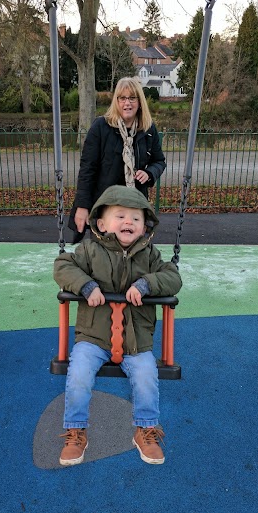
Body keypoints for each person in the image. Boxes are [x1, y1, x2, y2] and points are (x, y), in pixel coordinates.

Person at [54, 185, 182, 466]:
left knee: (147, 377)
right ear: (101, 223)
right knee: (78, 376)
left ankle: (145, 430)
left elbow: (173, 278)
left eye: (136, 219)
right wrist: (86, 286)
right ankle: (76, 431)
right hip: (93, 337)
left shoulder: (150, 255)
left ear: (144, 227)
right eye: (120, 216)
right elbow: (62, 267)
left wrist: (148, 283)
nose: (129, 222)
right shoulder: (89, 250)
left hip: (136, 341)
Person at [68, 77, 166, 243]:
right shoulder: (100, 127)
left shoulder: (148, 129)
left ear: (139, 101)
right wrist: (82, 206)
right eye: (122, 98)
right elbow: (87, 170)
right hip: (105, 205)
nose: (127, 103)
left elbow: (159, 161)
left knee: (133, 255)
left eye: (132, 98)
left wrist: (149, 173)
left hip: (134, 205)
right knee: (102, 256)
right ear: (116, 101)